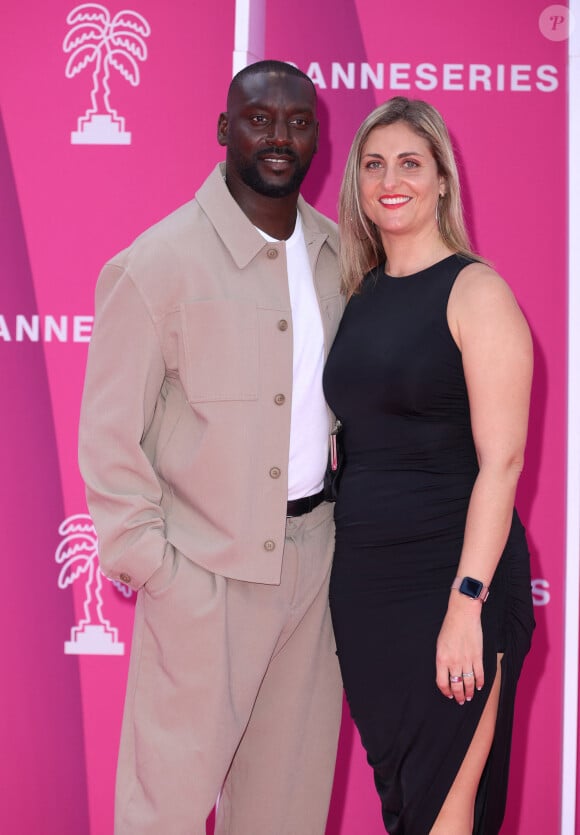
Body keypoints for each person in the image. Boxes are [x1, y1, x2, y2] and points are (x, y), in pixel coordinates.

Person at [78, 60, 344, 835]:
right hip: (201, 573)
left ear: (316, 138)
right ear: (224, 130)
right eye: (260, 119)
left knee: (284, 812)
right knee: (161, 812)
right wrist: (154, 568)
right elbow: (108, 435)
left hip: (313, 567)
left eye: (297, 121)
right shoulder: (158, 262)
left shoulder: (338, 255)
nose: (279, 136)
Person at [323, 96, 535, 835]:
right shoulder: (356, 296)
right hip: (367, 588)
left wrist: (466, 602)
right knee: (406, 803)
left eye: (410, 163)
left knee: (445, 809)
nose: (391, 179)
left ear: (442, 178)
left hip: (454, 578)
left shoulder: (478, 293)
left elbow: (502, 463)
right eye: (374, 164)